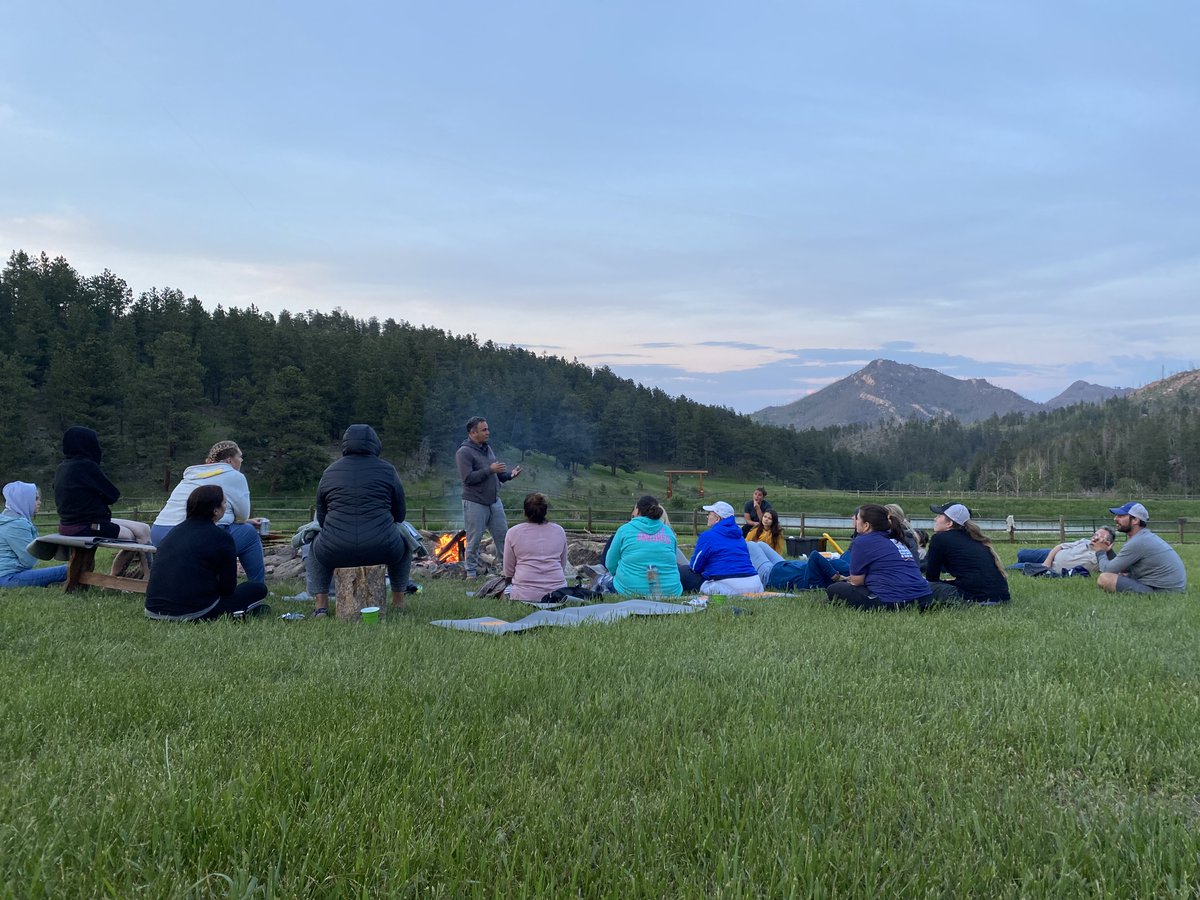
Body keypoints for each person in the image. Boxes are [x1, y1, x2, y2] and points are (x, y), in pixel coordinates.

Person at [308, 424, 413, 617]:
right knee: (406, 543)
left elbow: (322, 519)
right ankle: (398, 602)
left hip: (335, 550)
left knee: (314, 545)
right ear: (375, 444)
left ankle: (320, 606)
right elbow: (400, 515)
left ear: (345, 445)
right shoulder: (388, 470)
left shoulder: (329, 472)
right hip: (383, 548)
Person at [144, 485, 269, 621]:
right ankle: (245, 611)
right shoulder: (222, 537)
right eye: (225, 503)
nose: (226, 507)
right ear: (215, 510)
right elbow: (228, 588)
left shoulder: (174, 532)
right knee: (257, 588)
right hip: (196, 611)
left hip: (153, 610)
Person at [151, 440, 266, 583]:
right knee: (249, 534)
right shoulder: (234, 476)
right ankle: (258, 587)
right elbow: (243, 515)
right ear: (230, 460)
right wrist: (245, 521)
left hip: (160, 533)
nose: (241, 460)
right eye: (240, 457)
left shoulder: (195, 474)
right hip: (191, 538)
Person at [53, 425, 151, 575]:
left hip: (73, 523)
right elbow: (112, 495)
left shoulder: (62, 467)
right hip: (87, 525)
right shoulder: (86, 466)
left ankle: (147, 573)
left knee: (143, 529)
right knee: (131, 537)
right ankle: (138, 577)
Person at [825, 504, 933, 610]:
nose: (855, 521)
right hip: (923, 598)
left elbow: (857, 582)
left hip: (894, 601)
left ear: (866, 525)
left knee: (834, 589)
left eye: (857, 519)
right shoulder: (897, 538)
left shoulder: (863, 541)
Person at [456, 416, 522, 578]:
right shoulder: (463, 452)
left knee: (503, 537)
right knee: (474, 539)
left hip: (494, 501)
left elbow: (496, 474)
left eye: (487, 429)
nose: (488, 432)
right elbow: (468, 478)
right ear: (473, 433)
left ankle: (508, 571)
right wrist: (490, 470)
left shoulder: (487, 448)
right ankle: (471, 573)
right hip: (474, 502)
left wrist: (509, 475)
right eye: (484, 430)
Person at [924, 503, 1011, 604]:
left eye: (939, 516)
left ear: (949, 523)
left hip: (973, 598)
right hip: (1002, 598)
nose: (935, 519)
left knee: (920, 586)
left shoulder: (939, 539)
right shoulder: (975, 538)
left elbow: (931, 578)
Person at [1095, 502, 1187, 594]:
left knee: (1104, 578)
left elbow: (1107, 570)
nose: (1115, 518)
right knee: (1121, 574)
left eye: (1121, 516)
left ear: (1135, 520)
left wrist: (1100, 550)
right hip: (1171, 588)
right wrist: (1108, 551)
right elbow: (1122, 567)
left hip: (1163, 591)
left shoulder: (1138, 541)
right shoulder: (1143, 537)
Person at [604, 495, 684, 597]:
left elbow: (610, 563)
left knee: (603, 581)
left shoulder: (624, 530)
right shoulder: (668, 532)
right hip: (671, 591)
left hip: (629, 590)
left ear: (637, 510)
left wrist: (621, 575)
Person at [502, 493, 568, 601]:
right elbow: (562, 564)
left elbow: (508, 571)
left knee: (497, 586)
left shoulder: (513, 532)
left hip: (524, 594)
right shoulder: (559, 530)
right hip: (558, 592)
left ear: (524, 512)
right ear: (545, 511)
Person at [0, 482, 68, 588]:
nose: (39, 502)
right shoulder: (16, 524)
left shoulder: (6, 519)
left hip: (4, 574)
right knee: (70, 569)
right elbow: (29, 561)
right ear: (23, 500)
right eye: (36, 499)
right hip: (8, 577)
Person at [691, 501, 763, 595]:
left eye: (710, 514)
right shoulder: (740, 537)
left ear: (717, 518)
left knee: (685, 573)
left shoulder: (708, 536)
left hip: (727, 586)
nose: (707, 516)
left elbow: (695, 567)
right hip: (755, 584)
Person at [1012, 527, 1115, 575]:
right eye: (1095, 535)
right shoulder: (1085, 541)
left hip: (1053, 568)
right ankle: (1025, 561)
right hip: (1050, 555)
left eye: (1099, 538)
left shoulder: (1103, 559)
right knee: (1022, 554)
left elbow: (1113, 570)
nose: (1094, 539)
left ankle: (1023, 564)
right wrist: (1047, 561)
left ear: (1108, 543)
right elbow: (1060, 546)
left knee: (1013, 568)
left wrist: (1108, 551)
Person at [745, 540, 840, 592]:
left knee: (751, 545)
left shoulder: (816, 583)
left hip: (770, 575)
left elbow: (815, 555)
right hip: (783, 565)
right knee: (761, 544)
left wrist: (833, 574)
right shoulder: (820, 572)